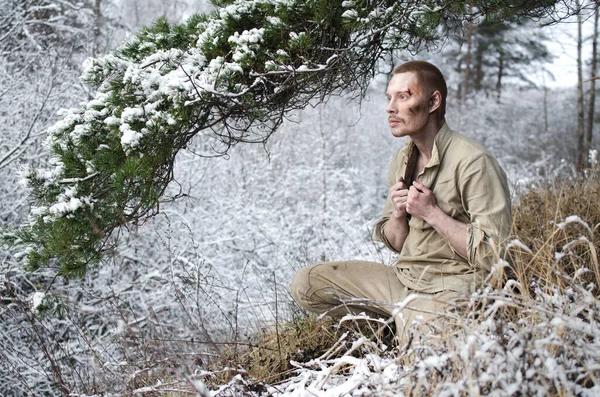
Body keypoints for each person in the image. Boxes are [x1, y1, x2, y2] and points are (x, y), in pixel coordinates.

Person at [289, 60, 512, 342]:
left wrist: (432, 214)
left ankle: (414, 325)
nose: (390, 108)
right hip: (403, 280)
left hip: (453, 285)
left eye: (403, 97)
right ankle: (394, 326)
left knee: (422, 336)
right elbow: (397, 243)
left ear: (433, 102)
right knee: (307, 283)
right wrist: (397, 214)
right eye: (389, 98)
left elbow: (495, 254)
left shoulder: (473, 162)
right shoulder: (403, 159)